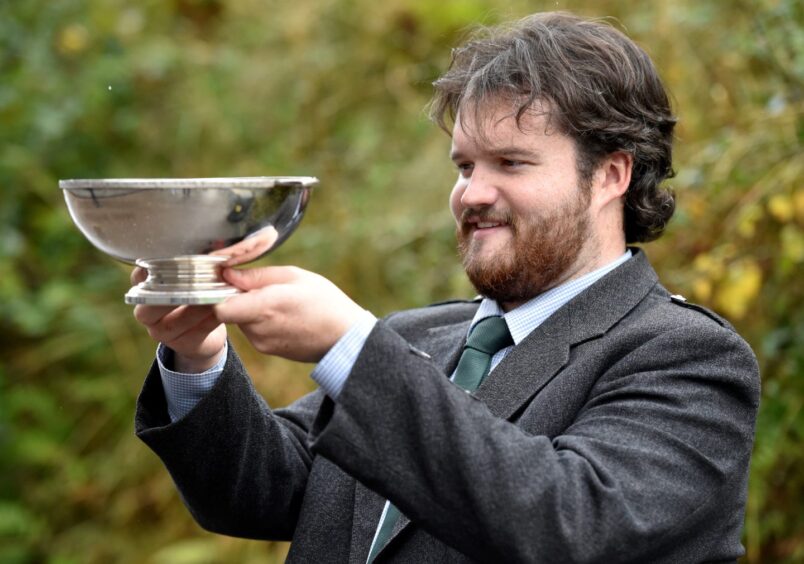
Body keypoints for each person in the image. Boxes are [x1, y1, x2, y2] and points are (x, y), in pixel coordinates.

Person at [133, 11, 759, 563]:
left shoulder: (688, 359)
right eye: (464, 165)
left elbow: (566, 526)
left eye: (510, 162)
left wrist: (351, 349)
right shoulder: (416, 338)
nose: (472, 194)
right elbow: (260, 493)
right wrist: (199, 356)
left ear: (610, 175)